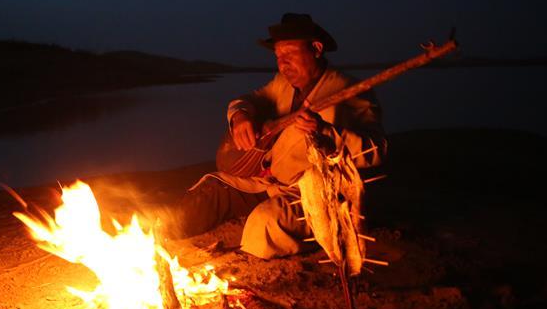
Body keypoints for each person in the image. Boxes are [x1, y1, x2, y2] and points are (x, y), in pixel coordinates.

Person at [165, 13, 386, 258]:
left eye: (289, 54)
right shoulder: (283, 84)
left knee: (263, 227)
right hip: (269, 182)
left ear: (316, 49)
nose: (283, 64)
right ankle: (163, 234)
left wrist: (324, 132)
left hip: (313, 193)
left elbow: (377, 150)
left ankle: (323, 234)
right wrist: (239, 116)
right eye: (278, 56)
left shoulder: (351, 91)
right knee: (207, 192)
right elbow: (248, 100)